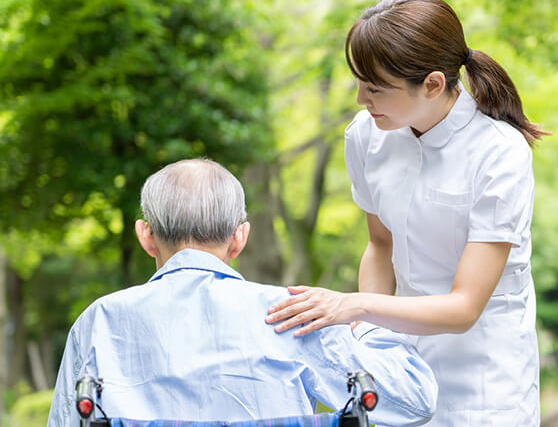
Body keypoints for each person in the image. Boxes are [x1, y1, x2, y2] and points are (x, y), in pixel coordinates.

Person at [265, 0, 550, 426]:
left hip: (486, 375)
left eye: (376, 88)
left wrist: (354, 307)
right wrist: (367, 345)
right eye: (359, 83)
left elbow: (463, 308)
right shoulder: (366, 136)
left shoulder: (499, 153)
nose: (362, 99)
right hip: (399, 365)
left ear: (433, 84)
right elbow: (380, 245)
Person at [47, 158, 437, 427]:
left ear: (146, 237)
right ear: (240, 238)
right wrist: (364, 318)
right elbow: (413, 401)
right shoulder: (296, 313)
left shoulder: (100, 322)